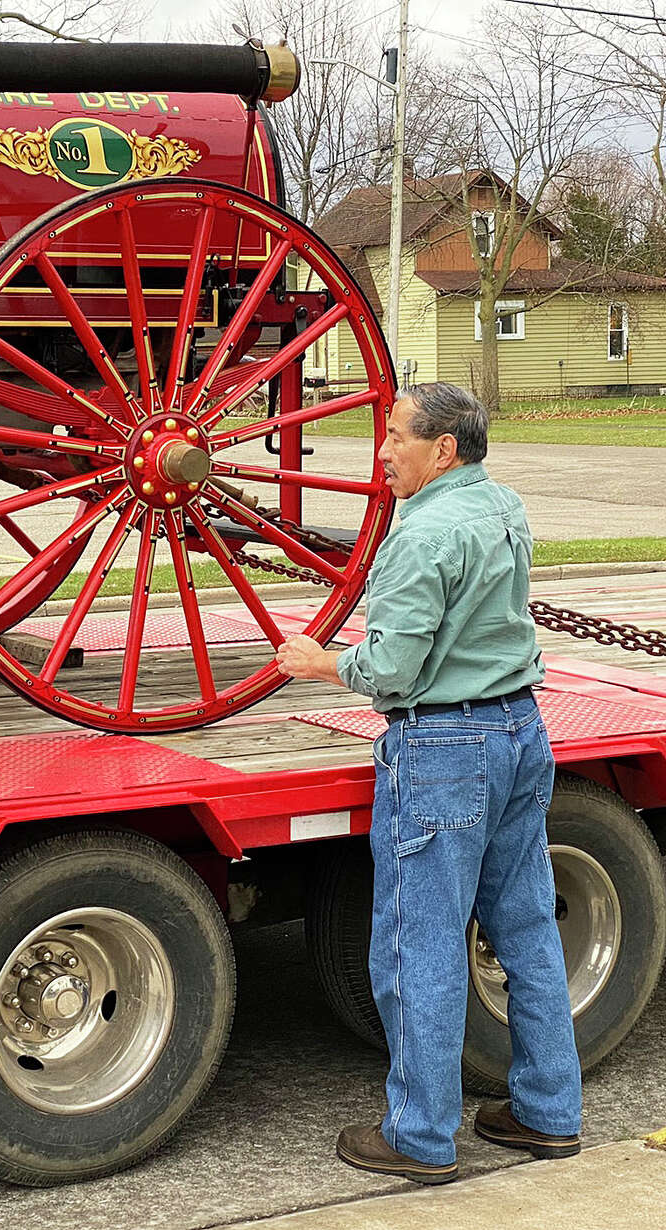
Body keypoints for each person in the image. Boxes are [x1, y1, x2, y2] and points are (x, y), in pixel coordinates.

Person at [276, 382, 582, 1185]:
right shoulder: (502, 504)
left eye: (396, 436)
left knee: (421, 947)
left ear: (443, 448)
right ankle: (548, 1113)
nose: (382, 451)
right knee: (526, 933)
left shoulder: (422, 534)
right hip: (522, 729)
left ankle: (419, 1137)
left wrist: (320, 662)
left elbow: (393, 669)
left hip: (446, 746)